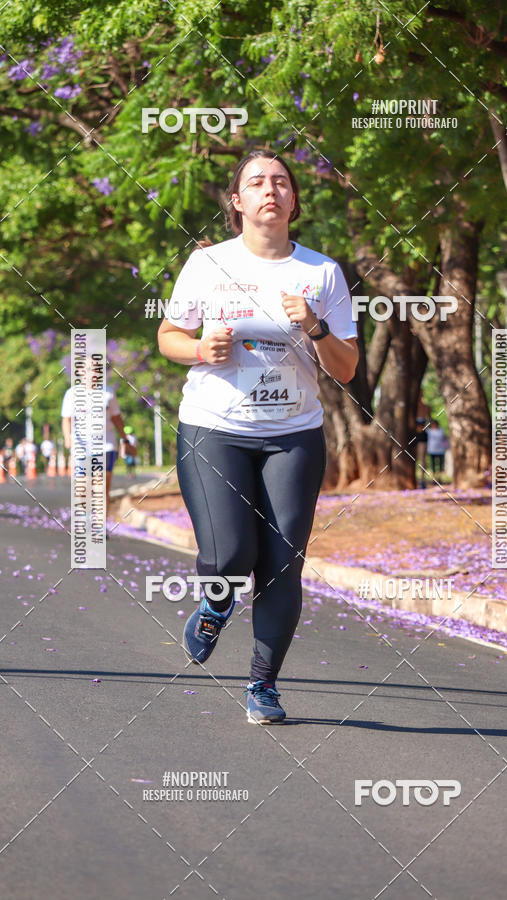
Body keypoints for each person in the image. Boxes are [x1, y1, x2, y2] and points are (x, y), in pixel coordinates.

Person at [158, 150, 358, 724]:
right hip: (214, 426)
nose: (269, 189)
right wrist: (199, 349)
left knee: (281, 563)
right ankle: (215, 603)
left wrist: (314, 325)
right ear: (238, 201)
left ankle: (263, 685)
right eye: (256, 182)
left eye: (280, 181)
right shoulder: (208, 264)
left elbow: (344, 368)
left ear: (294, 199)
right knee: (228, 554)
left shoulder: (322, 273)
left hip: (293, 434)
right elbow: (169, 334)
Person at [61, 374, 133, 534]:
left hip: (105, 445)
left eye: (94, 368)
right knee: (83, 486)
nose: (91, 372)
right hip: (81, 447)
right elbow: (66, 419)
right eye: (87, 369)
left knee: (101, 487)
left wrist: (125, 439)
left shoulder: (108, 392)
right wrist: (67, 438)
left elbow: (116, 418)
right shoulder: (72, 394)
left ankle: (100, 526)